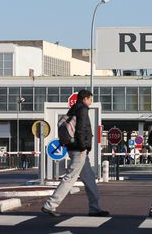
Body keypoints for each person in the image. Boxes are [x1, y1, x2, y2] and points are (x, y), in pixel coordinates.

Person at [42, 89, 109, 217]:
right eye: (90, 99)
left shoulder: (73, 109)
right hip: (79, 149)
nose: (90, 102)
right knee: (70, 178)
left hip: (74, 148)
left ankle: (94, 208)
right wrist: (83, 146)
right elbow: (80, 130)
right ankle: (50, 205)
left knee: (89, 179)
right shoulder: (82, 109)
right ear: (85, 99)